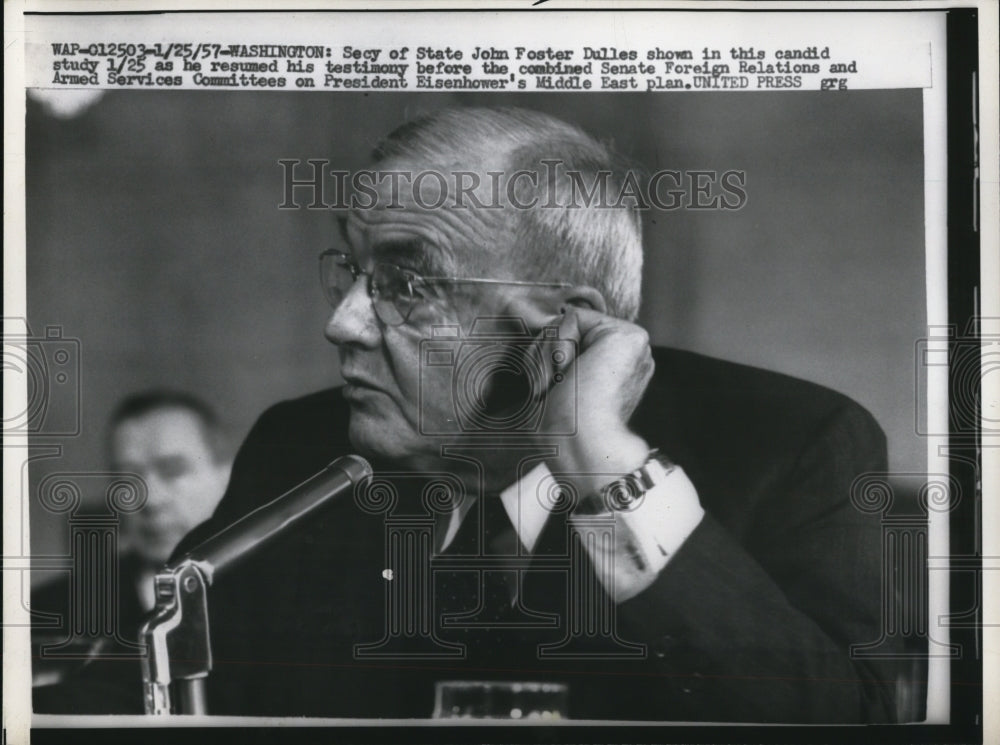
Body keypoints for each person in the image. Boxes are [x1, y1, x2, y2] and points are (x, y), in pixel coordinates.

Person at [175, 106, 903, 722]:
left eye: (406, 282)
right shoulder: (299, 448)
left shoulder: (794, 444)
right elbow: (154, 681)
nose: (343, 322)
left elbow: (850, 722)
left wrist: (604, 466)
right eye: (355, 272)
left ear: (563, 322)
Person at [32, 390, 232, 713]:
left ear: (226, 475)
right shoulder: (48, 610)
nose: (150, 499)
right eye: (127, 479)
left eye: (173, 470)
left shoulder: (274, 601)